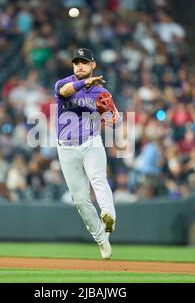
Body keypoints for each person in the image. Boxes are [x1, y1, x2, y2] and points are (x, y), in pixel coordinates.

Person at [54, 48, 122, 260]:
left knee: (98, 179)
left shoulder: (100, 93)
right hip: (66, 148)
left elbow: (115, 121)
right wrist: (85, 83)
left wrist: (111, 117)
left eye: (84, 62)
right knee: (80, 199)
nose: (79, 66)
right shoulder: (62, 83)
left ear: (93, 65)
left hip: (91, 143)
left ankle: (108, 214)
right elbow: (65, 92)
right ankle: (101, 239)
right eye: (76, 63)